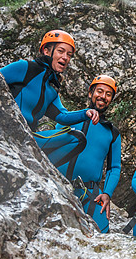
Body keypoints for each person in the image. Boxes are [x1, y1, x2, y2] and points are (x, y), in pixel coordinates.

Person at [42, 75, 122, 233]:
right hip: (58, 185)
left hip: (89, 193)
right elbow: (51, 146)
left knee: (102, 237)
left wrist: (107, 193)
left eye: (108, 94)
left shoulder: (112, 133)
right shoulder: (69, 119)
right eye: (99, 91)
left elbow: (114, 167)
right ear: (90, 93)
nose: (103, 97)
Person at [0, 29, 99, 131]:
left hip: (28, 136)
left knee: (76, 138)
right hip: (6, 124)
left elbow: (62, 116)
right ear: (46, 51)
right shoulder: (25, 67)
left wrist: (86, 113)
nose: (65, 57)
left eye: (69, 55)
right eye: (60, 51)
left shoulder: (52, 89)